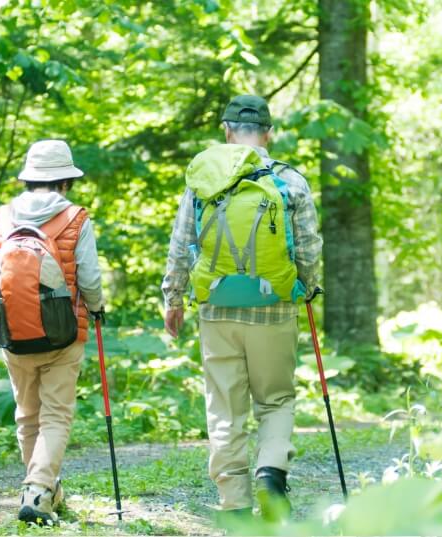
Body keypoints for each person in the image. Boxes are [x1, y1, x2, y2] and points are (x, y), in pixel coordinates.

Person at [161, 95, 322, 520]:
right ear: (269, 133)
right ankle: (271, 474)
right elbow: (307, 246)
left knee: (225, 407)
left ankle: (234, 503)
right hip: (274, 307)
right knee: (276, 399)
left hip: (217, 308)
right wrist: (308, 286)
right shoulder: (290, 181)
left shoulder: (202, 180)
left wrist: (172, 298)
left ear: (226, 130)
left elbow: (182, 244)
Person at [0, 139, 104, 525]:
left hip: (14, 332)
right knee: (55, 416)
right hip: (64, 333)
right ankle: (37, 491)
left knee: (27, 415)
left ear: (29, 179)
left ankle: (43, 487)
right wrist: (96, 308)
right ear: (65, 181)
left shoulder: (3, 215)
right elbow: (90, 278)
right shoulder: (76, 218)